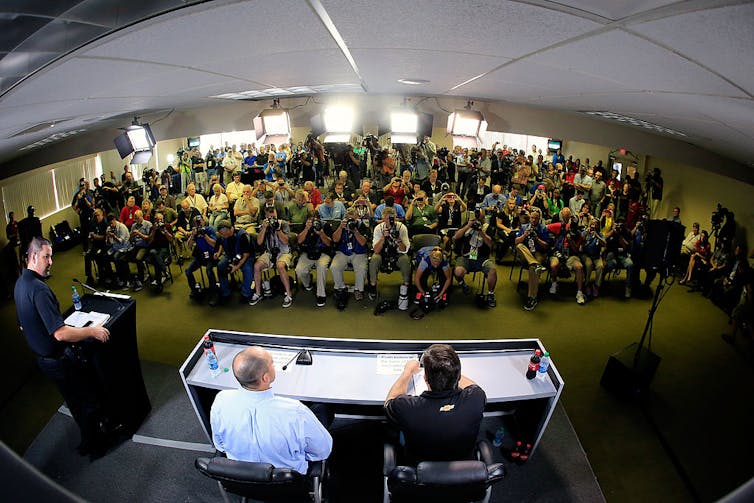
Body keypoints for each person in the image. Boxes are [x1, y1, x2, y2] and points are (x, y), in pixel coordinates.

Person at [15, 237, 113, 458]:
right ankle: (97, 445)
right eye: (46, 257)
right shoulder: (39, 289)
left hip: (43, 360)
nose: (50, 262)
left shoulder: (20, 284)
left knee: (74, 401)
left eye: (51, 256)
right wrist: (92, 331)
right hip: (59, 359)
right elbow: (60, 333)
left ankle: (87, 441)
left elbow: (23, 325)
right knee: (88, 400)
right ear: (32, 257)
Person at [211, 346, 332, 471]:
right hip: (288, 482)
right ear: (265, 378)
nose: (274, 366)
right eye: (272, 364)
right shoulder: (296, 412)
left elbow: (220, 445)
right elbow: (323, 451)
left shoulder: (221, 400)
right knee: (321, 409)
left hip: (238, 477)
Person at [384, 344, 486, 464]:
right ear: (458, 376)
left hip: (420, 467)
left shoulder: (408, 408)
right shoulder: (476, 398)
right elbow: (471, 385)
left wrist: (408, 371)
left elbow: (389, 401)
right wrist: (449, 371)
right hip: (463, 465)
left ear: (425, 378)